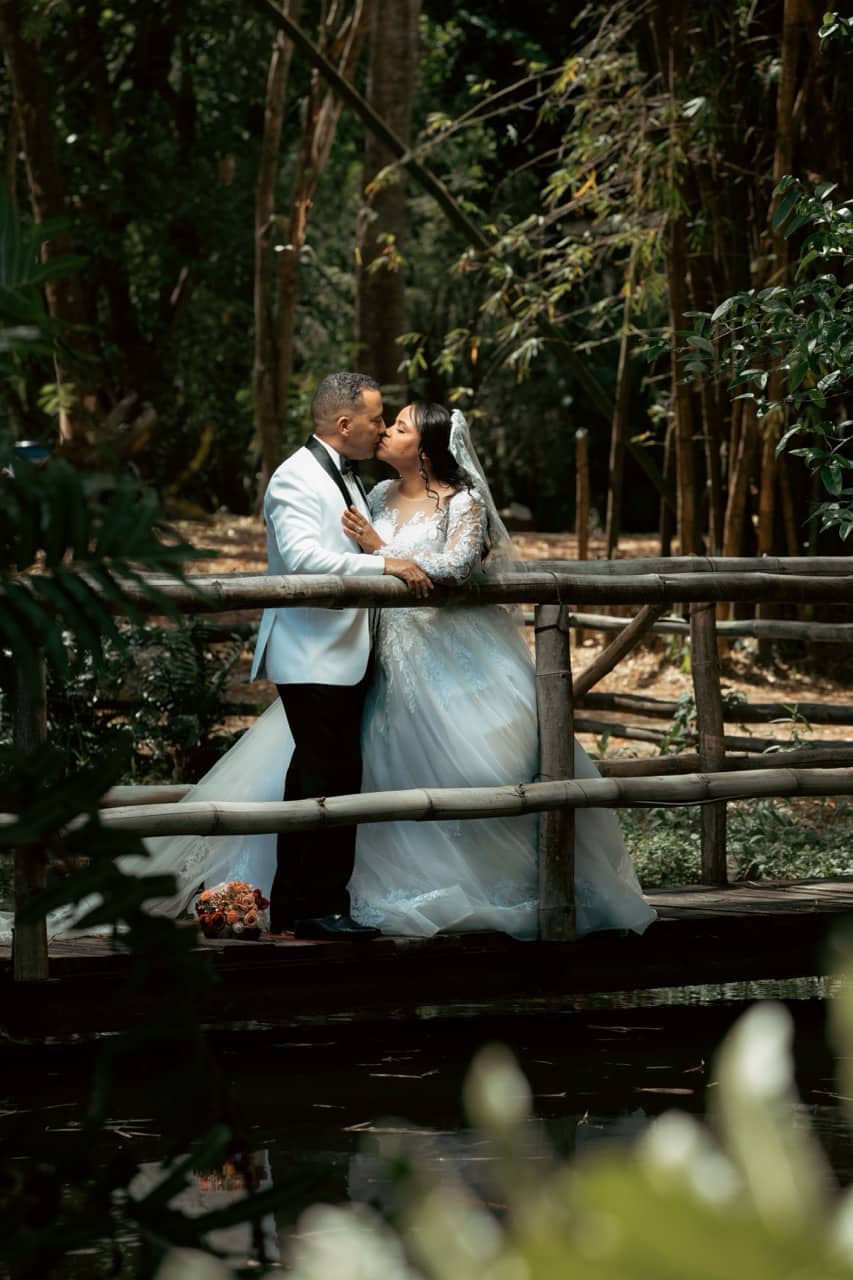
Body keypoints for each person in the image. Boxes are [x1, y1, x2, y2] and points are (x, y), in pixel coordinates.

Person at [249, 371, 432, 940]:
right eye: (377, 418)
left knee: (322, 773)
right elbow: (304, 558)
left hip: (341, 649)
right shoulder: (294, 479)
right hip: (311, 648)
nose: (382, 427)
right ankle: (315, 908)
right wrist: (386, 564)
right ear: (345, 423)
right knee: (325, 775)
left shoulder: (349, 477)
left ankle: (302, 905)